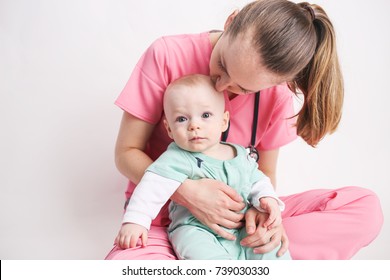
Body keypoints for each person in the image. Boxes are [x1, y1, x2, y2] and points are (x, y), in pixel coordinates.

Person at [106, 0, 383, 260]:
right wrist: (187, 192)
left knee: (365, 209)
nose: (221, 86)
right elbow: (126, 152)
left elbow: (265, 173)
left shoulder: (277, 97)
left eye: (244, 88)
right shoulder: (167, 55)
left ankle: (247, 260)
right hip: (162, 221)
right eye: (223, 65)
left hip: (239, 228)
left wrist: (264, 215)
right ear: (231, 21)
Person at [115, 74, 291, 260]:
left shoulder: (239, 154)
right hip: (195, 228)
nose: (194, 126)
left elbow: (258, 180)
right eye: (182, 119)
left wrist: (267, 200)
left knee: (272, 249)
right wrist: (136, 221)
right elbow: (150, 188)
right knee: (202, 254)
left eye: (205, 115)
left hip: (240, 228)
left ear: (223, 121)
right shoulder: (176, 158)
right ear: (169, 129)